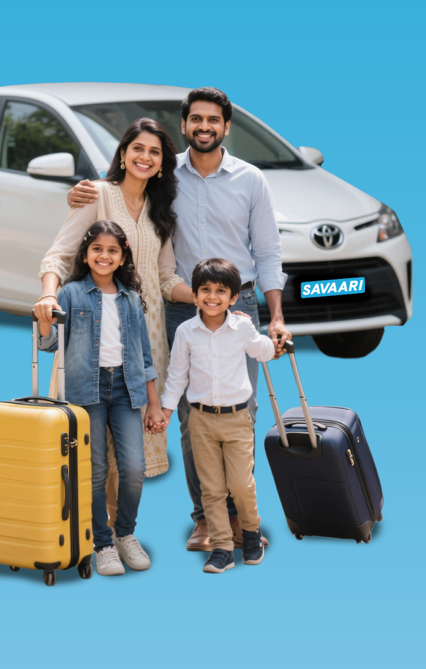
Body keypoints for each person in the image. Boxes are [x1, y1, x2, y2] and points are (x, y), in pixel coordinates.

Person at [66, 87, 291, 551]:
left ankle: (239, 517)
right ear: (185, 125)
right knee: (192, 415)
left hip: (240, 306)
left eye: (214, 120)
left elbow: (269, 252)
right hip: (181, 309)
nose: (205, 127)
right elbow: (121, 196)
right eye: (196, 119)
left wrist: (276, 316)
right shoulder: (166, 178)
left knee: (241, 412)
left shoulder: (250, 179)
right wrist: (83, 192)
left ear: (226, 126)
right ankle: (206, 517)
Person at [34, 118, 193, 502]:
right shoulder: (97, 194)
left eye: (154, 152)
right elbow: (59, 254)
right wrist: (49, 296)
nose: (145, 157)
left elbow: (165, 277)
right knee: (89, 443)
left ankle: (119, 528)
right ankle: (89, 529)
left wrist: (204, 297)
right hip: (92, 335)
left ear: (162, 162)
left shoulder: (160, 210)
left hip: (145, 339)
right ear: (123, 153)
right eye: (138, 148)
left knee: (129, 448)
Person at [38, 220, 165, 575]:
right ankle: (103, 542)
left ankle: (125, 533)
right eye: (97, 249)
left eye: (112, 250)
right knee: (94, 471)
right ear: (85, 254)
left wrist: (154, 404)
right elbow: (50, 345)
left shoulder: (131, 299)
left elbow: (144, 357)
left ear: (123, 257)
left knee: (134, 469)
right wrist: (45, 319)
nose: (104, 256)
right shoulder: (70, 294)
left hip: (126, 391)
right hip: (85, 393)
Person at [160, 258, 278, 573]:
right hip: (200, 420)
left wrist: (265, 337)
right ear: (195, 295)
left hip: (237, 419)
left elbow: (263, 351)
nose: (212, 297)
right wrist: (166, 411)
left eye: (221, 291)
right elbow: (177, 377)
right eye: (205, 290)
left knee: (240, 484)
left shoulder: (241, 327)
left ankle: (250, 533)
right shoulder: (186, 332)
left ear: (233, 297)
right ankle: (222, 548)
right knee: (211, 488)